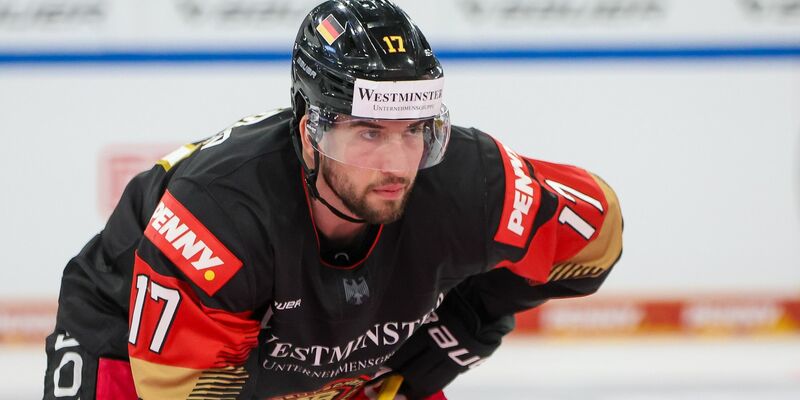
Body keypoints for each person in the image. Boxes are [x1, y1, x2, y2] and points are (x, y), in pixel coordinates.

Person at [43, 1, 623, 399]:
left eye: (414, 128)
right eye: (369, 132)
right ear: (309, 134)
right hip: (141, 346)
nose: (398, 161)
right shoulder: (223, 213)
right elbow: (181, 386)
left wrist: (467, 322)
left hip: (330, 353)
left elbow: (596, 231)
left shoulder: (466, 180)